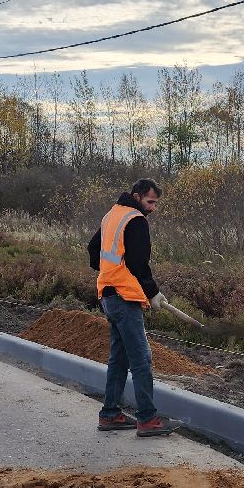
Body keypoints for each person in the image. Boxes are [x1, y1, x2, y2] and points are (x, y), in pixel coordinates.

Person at [87, 178, 182, 437]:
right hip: (124, 298)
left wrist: (108, 272)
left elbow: (93, 249)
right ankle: (148, 419)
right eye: (150, 202)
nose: (153, 208)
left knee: (119, 358)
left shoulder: (111, 215)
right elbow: (139, 263)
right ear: (137, 196)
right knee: (141, 359)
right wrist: (153, 292)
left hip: (107, 295)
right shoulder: (136, 220)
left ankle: (109, 415)